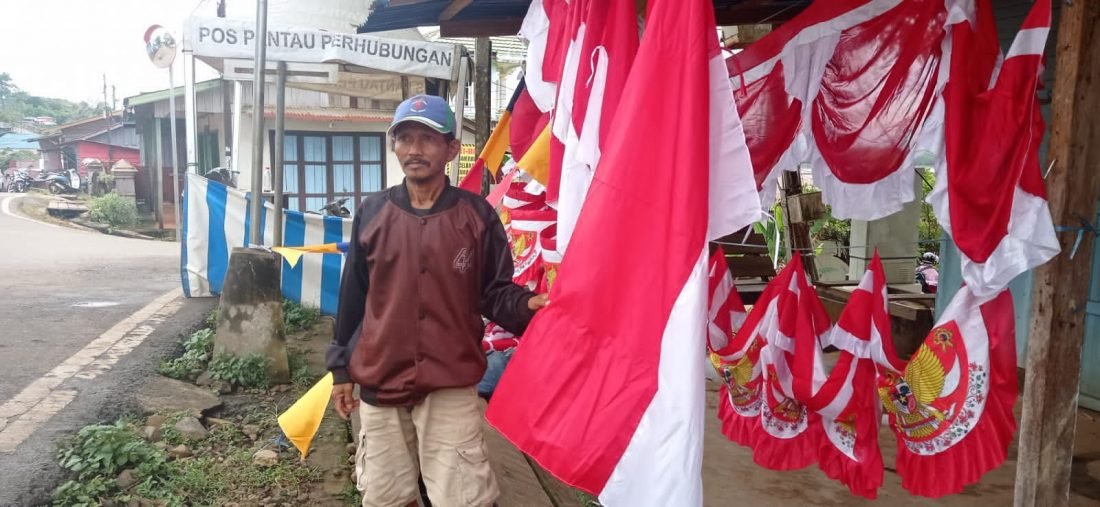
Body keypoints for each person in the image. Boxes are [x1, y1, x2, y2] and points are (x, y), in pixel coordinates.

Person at [327, 93, 548, 507]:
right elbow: (353, 296)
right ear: (394, 146)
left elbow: (493, 291)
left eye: (427, 139)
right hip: (380, 378)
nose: (414, 149)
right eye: (404, 138)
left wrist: (525, 306)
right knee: (387, 497)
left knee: (463, 498)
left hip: (450, 381)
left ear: (451, 149)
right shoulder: (372, 213)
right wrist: (341, 370)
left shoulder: (477, 216)